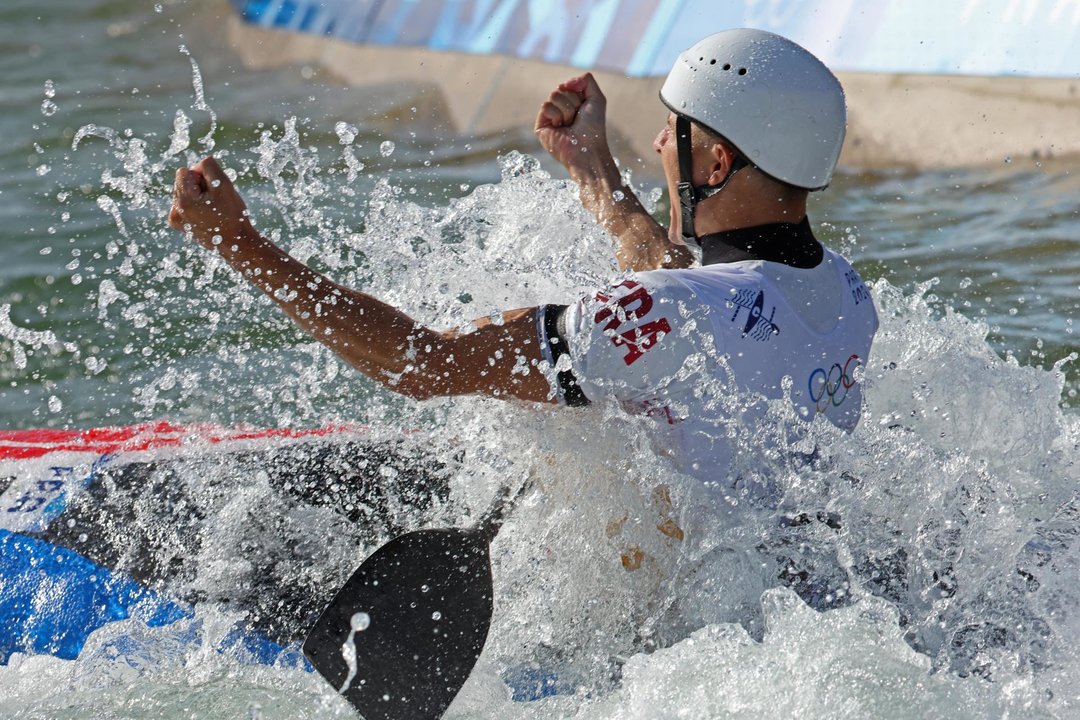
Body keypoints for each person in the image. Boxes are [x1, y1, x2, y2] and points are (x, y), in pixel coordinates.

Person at [168, 28, 877, 503]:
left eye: (674, 129)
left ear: (716, 161)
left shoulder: (674, 309)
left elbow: (420, 365)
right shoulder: (846, 294)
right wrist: (594, 173)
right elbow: (678, 286)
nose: (659, 140)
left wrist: (239, 244)